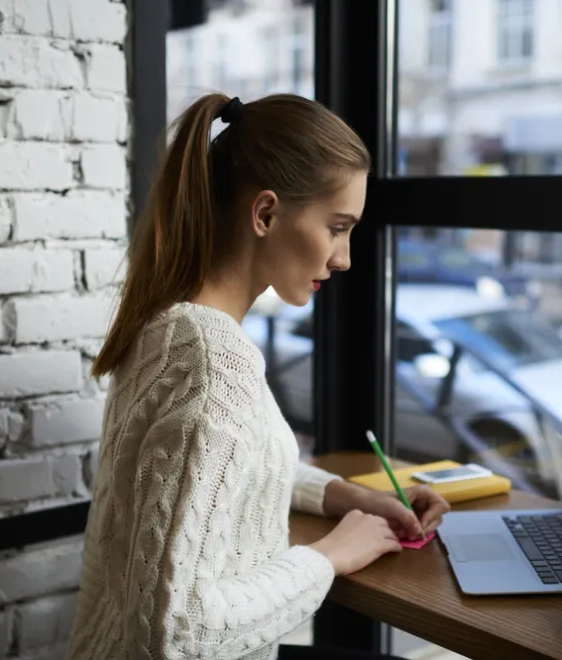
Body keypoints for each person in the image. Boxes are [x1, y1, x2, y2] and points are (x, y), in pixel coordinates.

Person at [65, 92, 451, 660]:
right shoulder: (212, 364)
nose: (344, 257)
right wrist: (330, 557)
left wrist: (345, 497)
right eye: (337, 227)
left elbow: (220, 473)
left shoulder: (172, 326)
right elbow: (175, 633)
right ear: (266, 214)